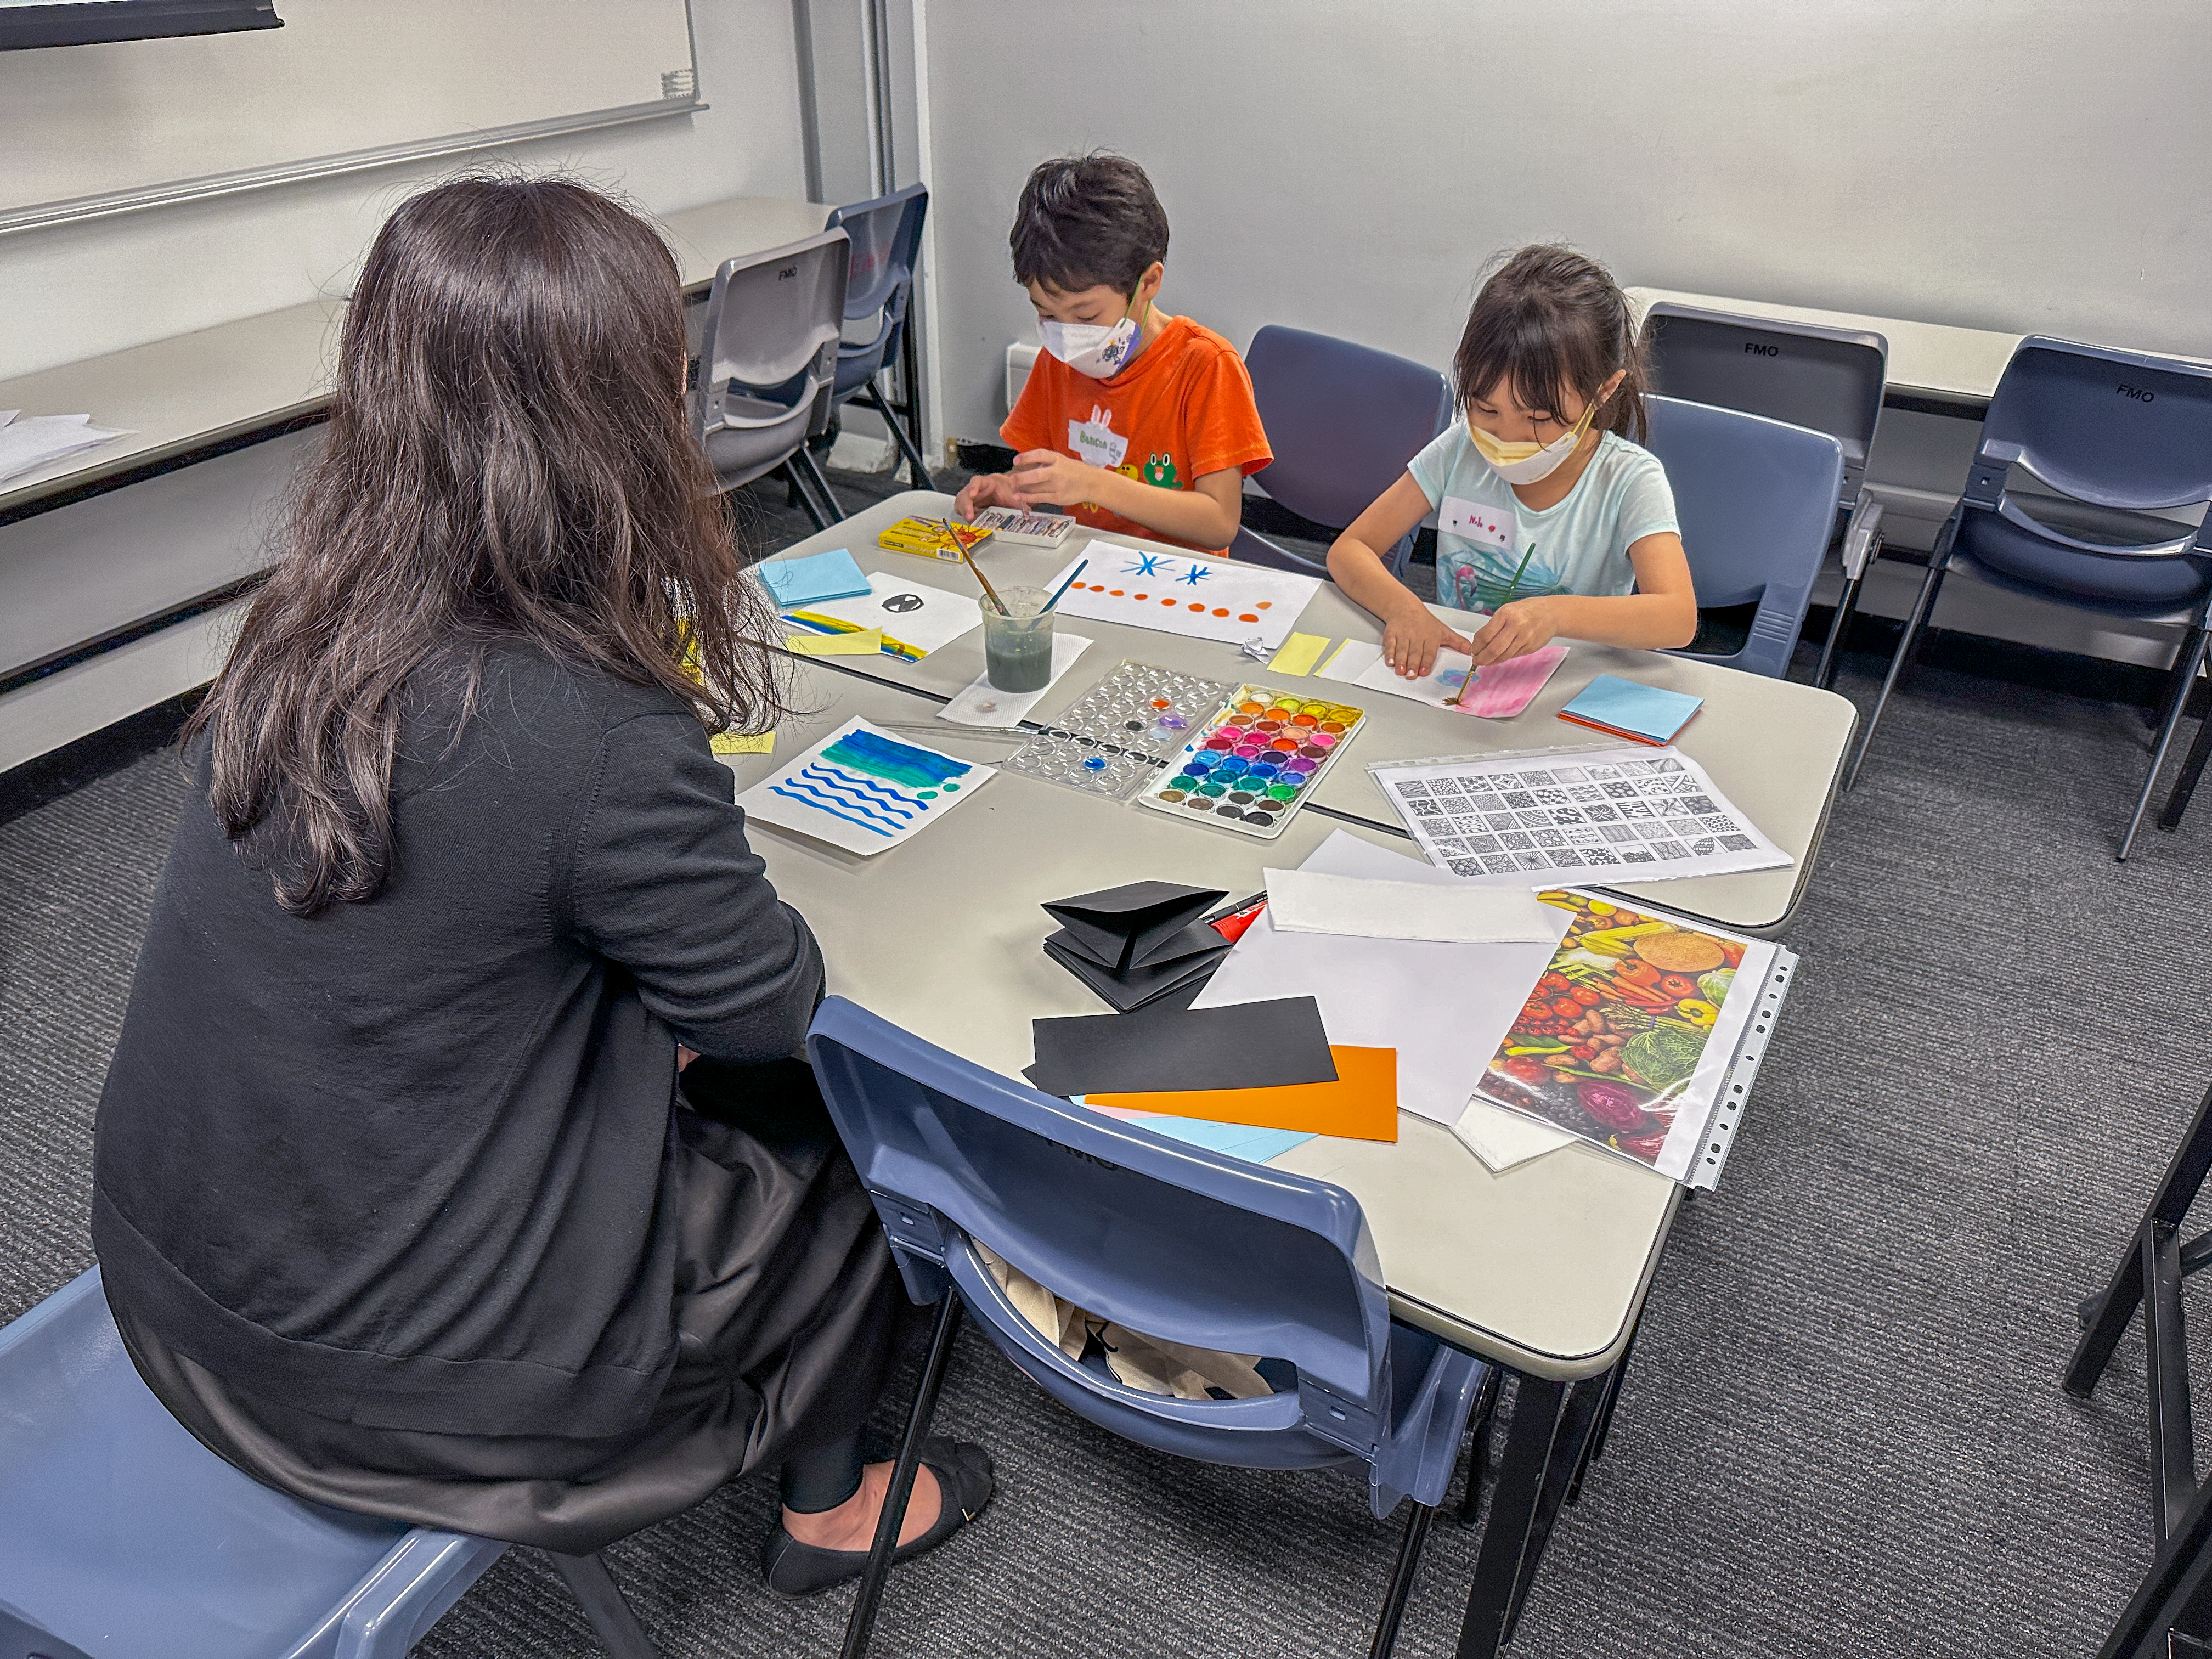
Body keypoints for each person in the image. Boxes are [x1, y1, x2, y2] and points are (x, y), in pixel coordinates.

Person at [88, 175, 990, 1598]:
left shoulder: (292, 633)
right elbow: (770, 1009)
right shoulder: (586, 718)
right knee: (837, 1114)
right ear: (629, 416)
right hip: (400, 1399)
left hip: (172, 1293)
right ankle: (832, 1506)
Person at [1327, 245, 1697, 676]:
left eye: (1539, 417)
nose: (1506, 438)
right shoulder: (1460, 449)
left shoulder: (1629, 480)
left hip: (1566, 685)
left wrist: (1555, 615)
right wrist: (1405, 610)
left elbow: (1677, 618)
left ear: (1603, 390)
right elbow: (1350, 550)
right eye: (1486, 410)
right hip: (1464, 677)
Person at [953, 153, 1272, 554]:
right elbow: (1040, 472)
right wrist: (1006, 489)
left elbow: (1220, 523)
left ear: (1149, 282)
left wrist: (1095, 483)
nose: (1068, 337)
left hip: (1179, 582)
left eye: (1087, 316)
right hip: (1089, 566)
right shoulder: (1058, 361)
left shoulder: (1206, 366)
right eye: (1047, 314)